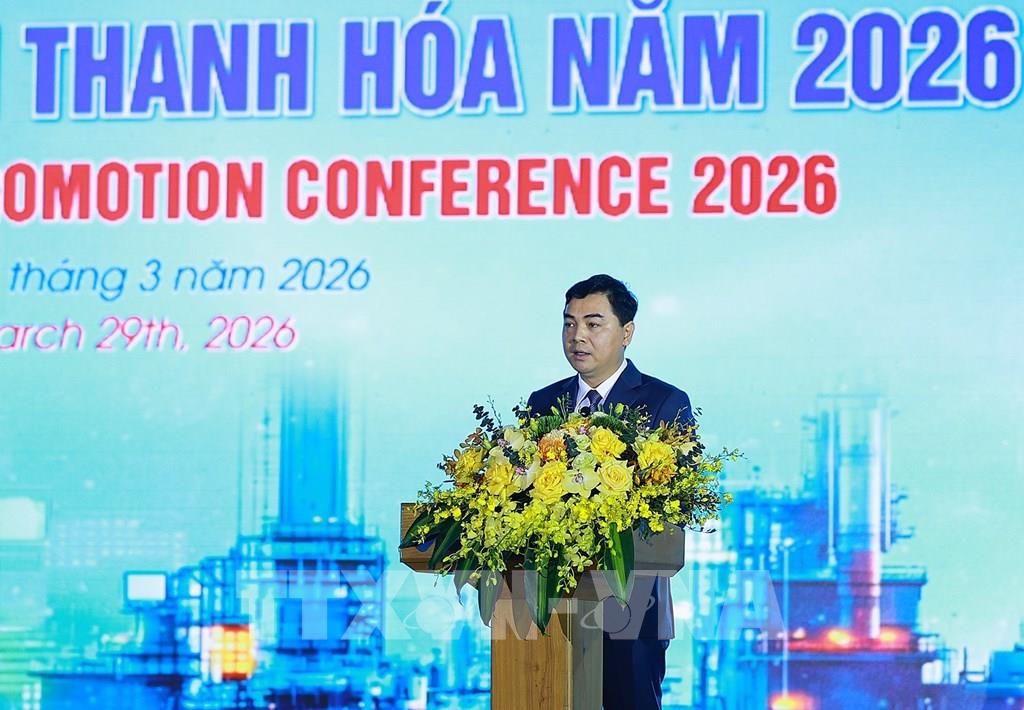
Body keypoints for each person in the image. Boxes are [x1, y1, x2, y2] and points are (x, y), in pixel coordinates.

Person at [525, 274, 695, 710]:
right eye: (568, 323)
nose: (577, 336)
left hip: (632, 607)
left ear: (626, 332)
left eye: (593, 323)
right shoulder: (542, 403)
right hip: (549, 608)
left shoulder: (664, 402)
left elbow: (674, 502)